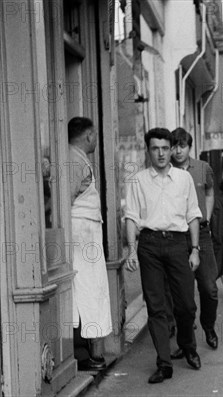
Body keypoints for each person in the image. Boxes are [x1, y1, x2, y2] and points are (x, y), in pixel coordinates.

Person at [124, 128, 202, 384]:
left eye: (165, 148)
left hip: (179, 245)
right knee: (156, 307)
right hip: (149, 245)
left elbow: (192, 215)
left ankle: (187, 345)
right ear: (148, 150)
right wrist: (132, 250)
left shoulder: (183, 179)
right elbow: (132, 217)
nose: (161, 153)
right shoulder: (137, 180)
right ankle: (164, 363)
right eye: (155, 148)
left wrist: (194, 249)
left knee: (186, 305)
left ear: (171, 150)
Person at [68, 117, 112, 371]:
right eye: (94, 135)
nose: (95, 139)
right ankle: (81, 354)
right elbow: (66, 200)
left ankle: (85, 352)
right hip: (79, 237)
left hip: (85, 236)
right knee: (83, 293)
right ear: (88, 136)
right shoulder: (75, 160)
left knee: (87, 293)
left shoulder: (76, 157)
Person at [169, 128, 219, 352]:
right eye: (174, 146)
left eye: (182, 146)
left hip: (203, 235)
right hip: (177, 236)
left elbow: (209, 192)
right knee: (182, 292)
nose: (178, 150)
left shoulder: (203, 168)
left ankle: (208, 326)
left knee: (209, 288)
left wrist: (206, 216)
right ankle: (186, 340)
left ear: (190, 147)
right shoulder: (165, 170)